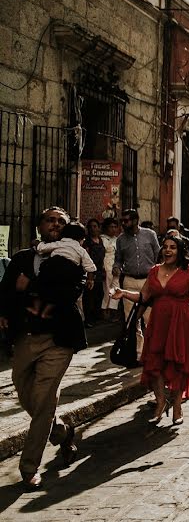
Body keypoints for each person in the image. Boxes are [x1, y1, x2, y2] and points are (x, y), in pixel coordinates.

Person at [0, 207, 83, 489]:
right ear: (40, 227)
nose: (56, 224)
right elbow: (7, 290)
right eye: (50, 219)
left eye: (62, 221)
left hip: (58, 339)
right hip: (25, 336)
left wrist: (30, 286)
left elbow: (67, 294)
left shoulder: (72, 260)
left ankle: (29, 467)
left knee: (44, 398)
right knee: (24, 392)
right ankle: (61, 431)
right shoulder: (22, 258)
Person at [112, 235, 189, 425]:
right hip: (159, 322)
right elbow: (144, 296)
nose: (168, 250)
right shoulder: (154, 271)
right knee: (154, 364)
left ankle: (177, 406)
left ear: (180, 251)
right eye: (165, 247)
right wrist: (124, 294)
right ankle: (161, 402)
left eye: (173, 247)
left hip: (181, 322)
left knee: (178, 364)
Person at [113, 209, 160, 359]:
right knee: (132, 319)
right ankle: (138, 354)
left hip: (149, 280)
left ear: (135, 220)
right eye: (122, 221)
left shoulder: (150, 235)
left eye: (126, 221)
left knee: (150, 319)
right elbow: (118, 259)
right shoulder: (120, 239)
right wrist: (116, 267)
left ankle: (153, 352)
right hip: (129, 281)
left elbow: (158, 255)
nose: (123, 224)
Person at [29, 222, 97, 320]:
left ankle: (36, 308)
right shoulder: (80, 249)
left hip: (50, 268)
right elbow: (90, 267)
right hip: (67, 272)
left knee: (41, 288)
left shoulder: (59, 243)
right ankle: (45, 313)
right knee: (59, 294)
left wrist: (36, 242)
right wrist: (90, 280)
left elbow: (41, 248)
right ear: (81, 239)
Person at [83, 219, 106, 326]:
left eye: (95, 226)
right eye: (91, 227)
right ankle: (89, 319)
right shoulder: (87, 242)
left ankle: (96, 316)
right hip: (91, 271)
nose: (93, 229)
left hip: (100, 271)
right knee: (89, 296)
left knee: (99, 294)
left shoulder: (100, 240)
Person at [100, 217, 120, 320]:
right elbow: (101, 255)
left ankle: (113, 310)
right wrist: (103, 268)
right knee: (107, 289)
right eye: (111, 227)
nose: (113, 229)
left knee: (116, 288)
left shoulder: (118, 240)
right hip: (106, 266)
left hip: (115, 267)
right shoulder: (102, 239)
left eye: (115, 227)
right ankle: (104, 309)